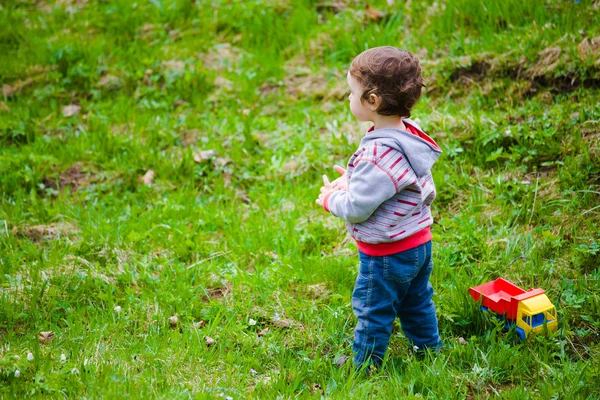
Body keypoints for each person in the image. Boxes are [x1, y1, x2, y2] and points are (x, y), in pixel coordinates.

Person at [316, 46, 442, 369]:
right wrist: (354, 179)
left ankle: (365, 365)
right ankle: (428, 352)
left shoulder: (379, 154)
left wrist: (332, 200)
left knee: (373, 309)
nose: (347, 98)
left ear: (372, 101)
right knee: (416, 302)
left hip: (386, 254)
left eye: (351, 92)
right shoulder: (408, 139)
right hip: (419, 243)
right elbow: (397, 184)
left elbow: (359, 206)